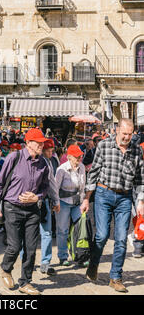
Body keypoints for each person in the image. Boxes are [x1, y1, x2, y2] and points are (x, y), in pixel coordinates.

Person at [82, 118, 144, 293]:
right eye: (124, 133)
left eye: (130, 134)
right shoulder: (104, 146)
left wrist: (140, 201)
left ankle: (115, 277)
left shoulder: (136, 150)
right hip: (103, 194)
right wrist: (87, 198)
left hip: (124, 198)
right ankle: (93, 264)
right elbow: (93, 173)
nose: (127, 137)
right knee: (101, 236)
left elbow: (140, 179)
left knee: (122, 239)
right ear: (117, 130)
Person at [0, 128, 50, 296]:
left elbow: (45, 187)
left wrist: (37, 197)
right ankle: (6, 269)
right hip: (12, 207)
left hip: (32, 210)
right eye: (38, 142)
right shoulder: (13, 158)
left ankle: (25, 282)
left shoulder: (43, 163)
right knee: (15, 246)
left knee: (31, 249)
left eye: (42, 142)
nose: (41, 145)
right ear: (28, 143)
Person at [55, 144, 87, 266]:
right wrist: (56, 203)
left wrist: (84, 201)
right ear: (69, 157)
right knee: (63, 230)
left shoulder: (82, 167)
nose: (79, 160)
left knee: (79, 230)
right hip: (63, 203)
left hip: (77, 202)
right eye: (76, 157)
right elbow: (55, 188)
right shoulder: (61, 169)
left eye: (80, 157)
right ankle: (63, 256)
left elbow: (83, 187)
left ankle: (79, 255)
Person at [38, 138, 60, 275]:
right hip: (31, 203)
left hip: (44, 201)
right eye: (48, 150)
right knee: (29, 234)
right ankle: (26, 260)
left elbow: (52, 183)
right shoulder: (42, 161)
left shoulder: (50, 162)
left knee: (46, 233)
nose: (50, 153)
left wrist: (55, 200)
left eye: (52, 151)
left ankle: (45, 262)